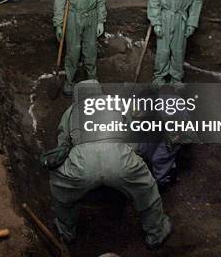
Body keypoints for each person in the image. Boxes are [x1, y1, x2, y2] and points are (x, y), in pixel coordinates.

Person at [42, 80, 172, 248]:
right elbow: (132, 133)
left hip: (83, 164)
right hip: (120, 160)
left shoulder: (71, 110)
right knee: (147, 191)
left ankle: (66, 231)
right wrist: (131, 154)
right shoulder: (116, 103)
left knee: (60, 187)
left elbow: (63, 145)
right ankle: (156, 233)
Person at [53, 0, 107, 96]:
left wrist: (101, 21)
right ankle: (70, 81)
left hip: (92, 17)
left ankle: (92, 80)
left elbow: (101, 0)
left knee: (90, 50)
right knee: (73, 50)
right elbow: (59, 4)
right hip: (73, 18)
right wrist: (58, 24)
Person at [147, 0, 202, 84]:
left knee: (178, 50)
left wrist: (191, 23)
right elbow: (153, 1)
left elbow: (196, 2)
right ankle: (159, 76)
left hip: (181, 20)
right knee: (163, 50)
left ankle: (176, 78)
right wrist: (156, 23)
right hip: (165, 18)